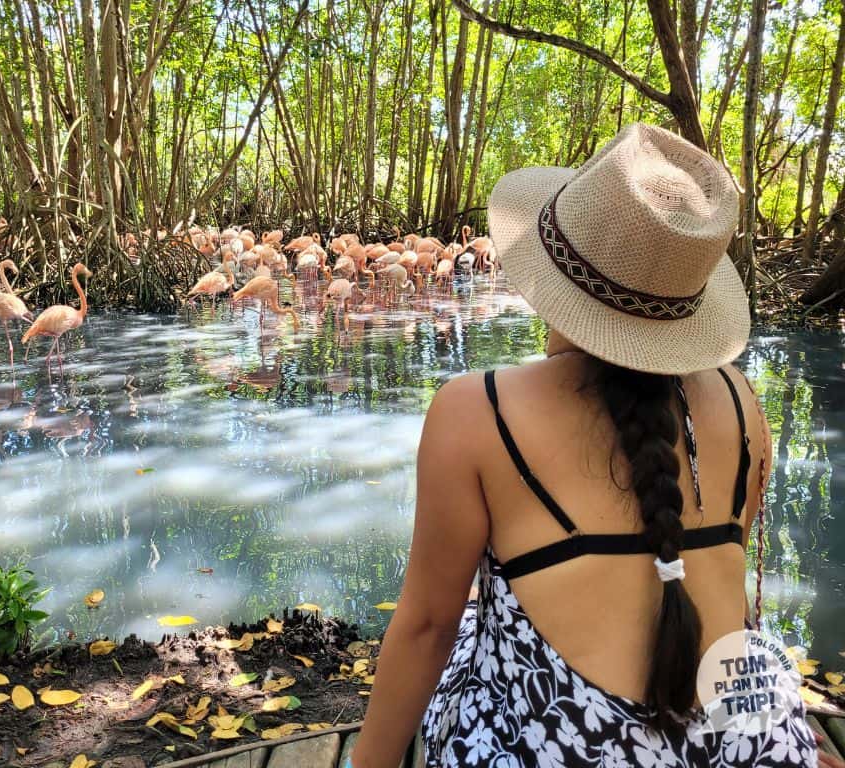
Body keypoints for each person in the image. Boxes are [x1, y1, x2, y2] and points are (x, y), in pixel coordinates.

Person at [349, 124, 832, 767]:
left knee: (466, 624)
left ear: (554, 269)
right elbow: (718, 584)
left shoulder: (475, 411)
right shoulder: (742, 398)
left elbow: (426, 626)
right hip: (747, 742)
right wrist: (786, 730)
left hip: (575, 749)